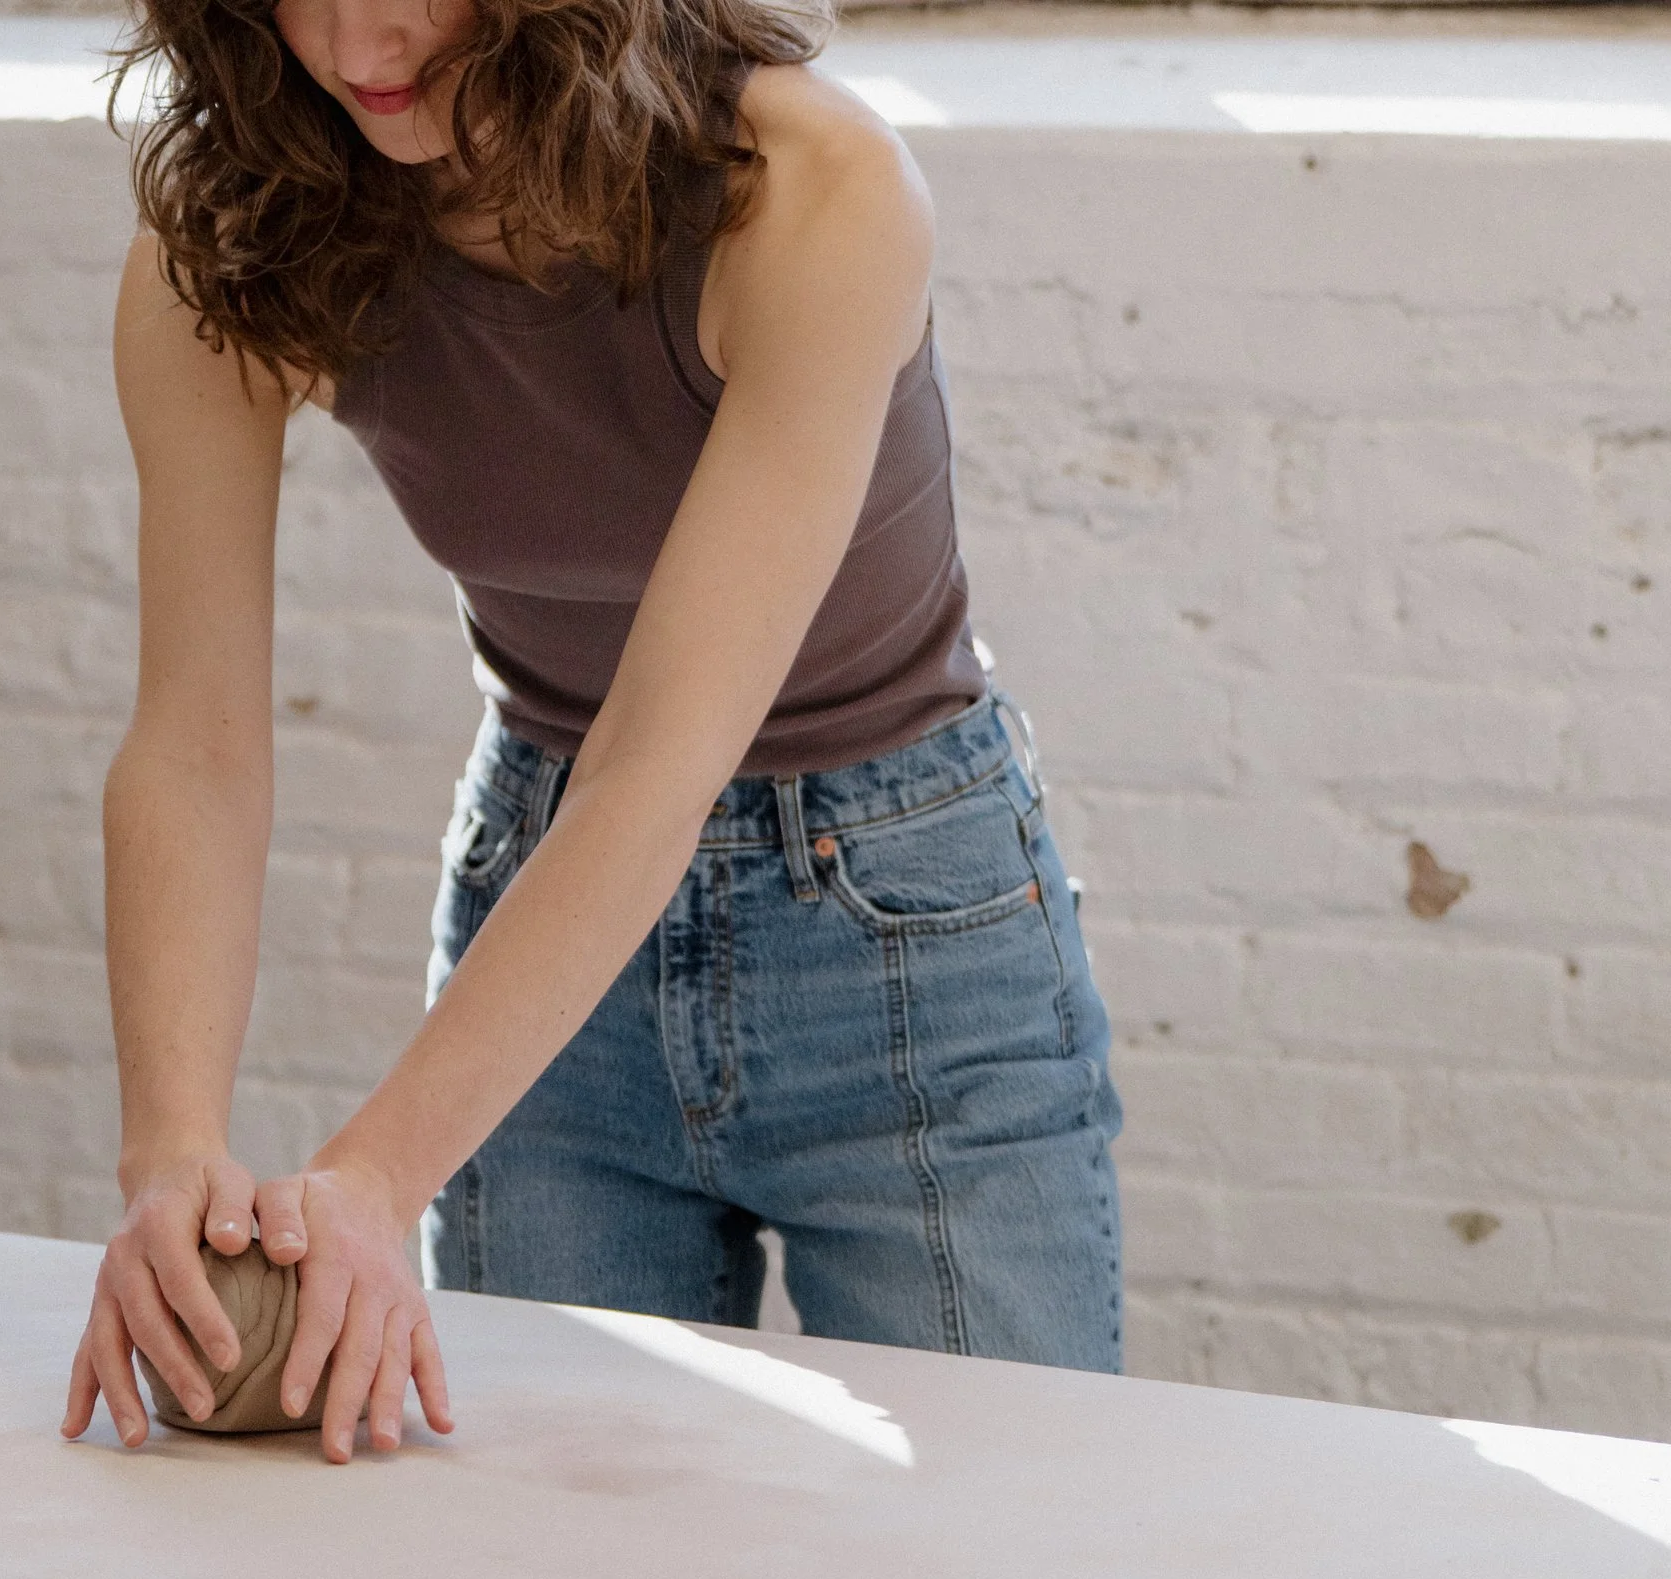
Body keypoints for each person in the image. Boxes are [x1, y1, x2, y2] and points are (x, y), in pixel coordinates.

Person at [61, 0, 1123, 1465]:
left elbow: (656, 767)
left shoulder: (815, 191)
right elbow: (194, 744)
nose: (353, 33)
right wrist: (167, 1155)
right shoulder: (238, 232)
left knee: (1012, 1541)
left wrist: (374, 1173)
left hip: (904, 924)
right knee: (548, 1573)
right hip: (541, 897)